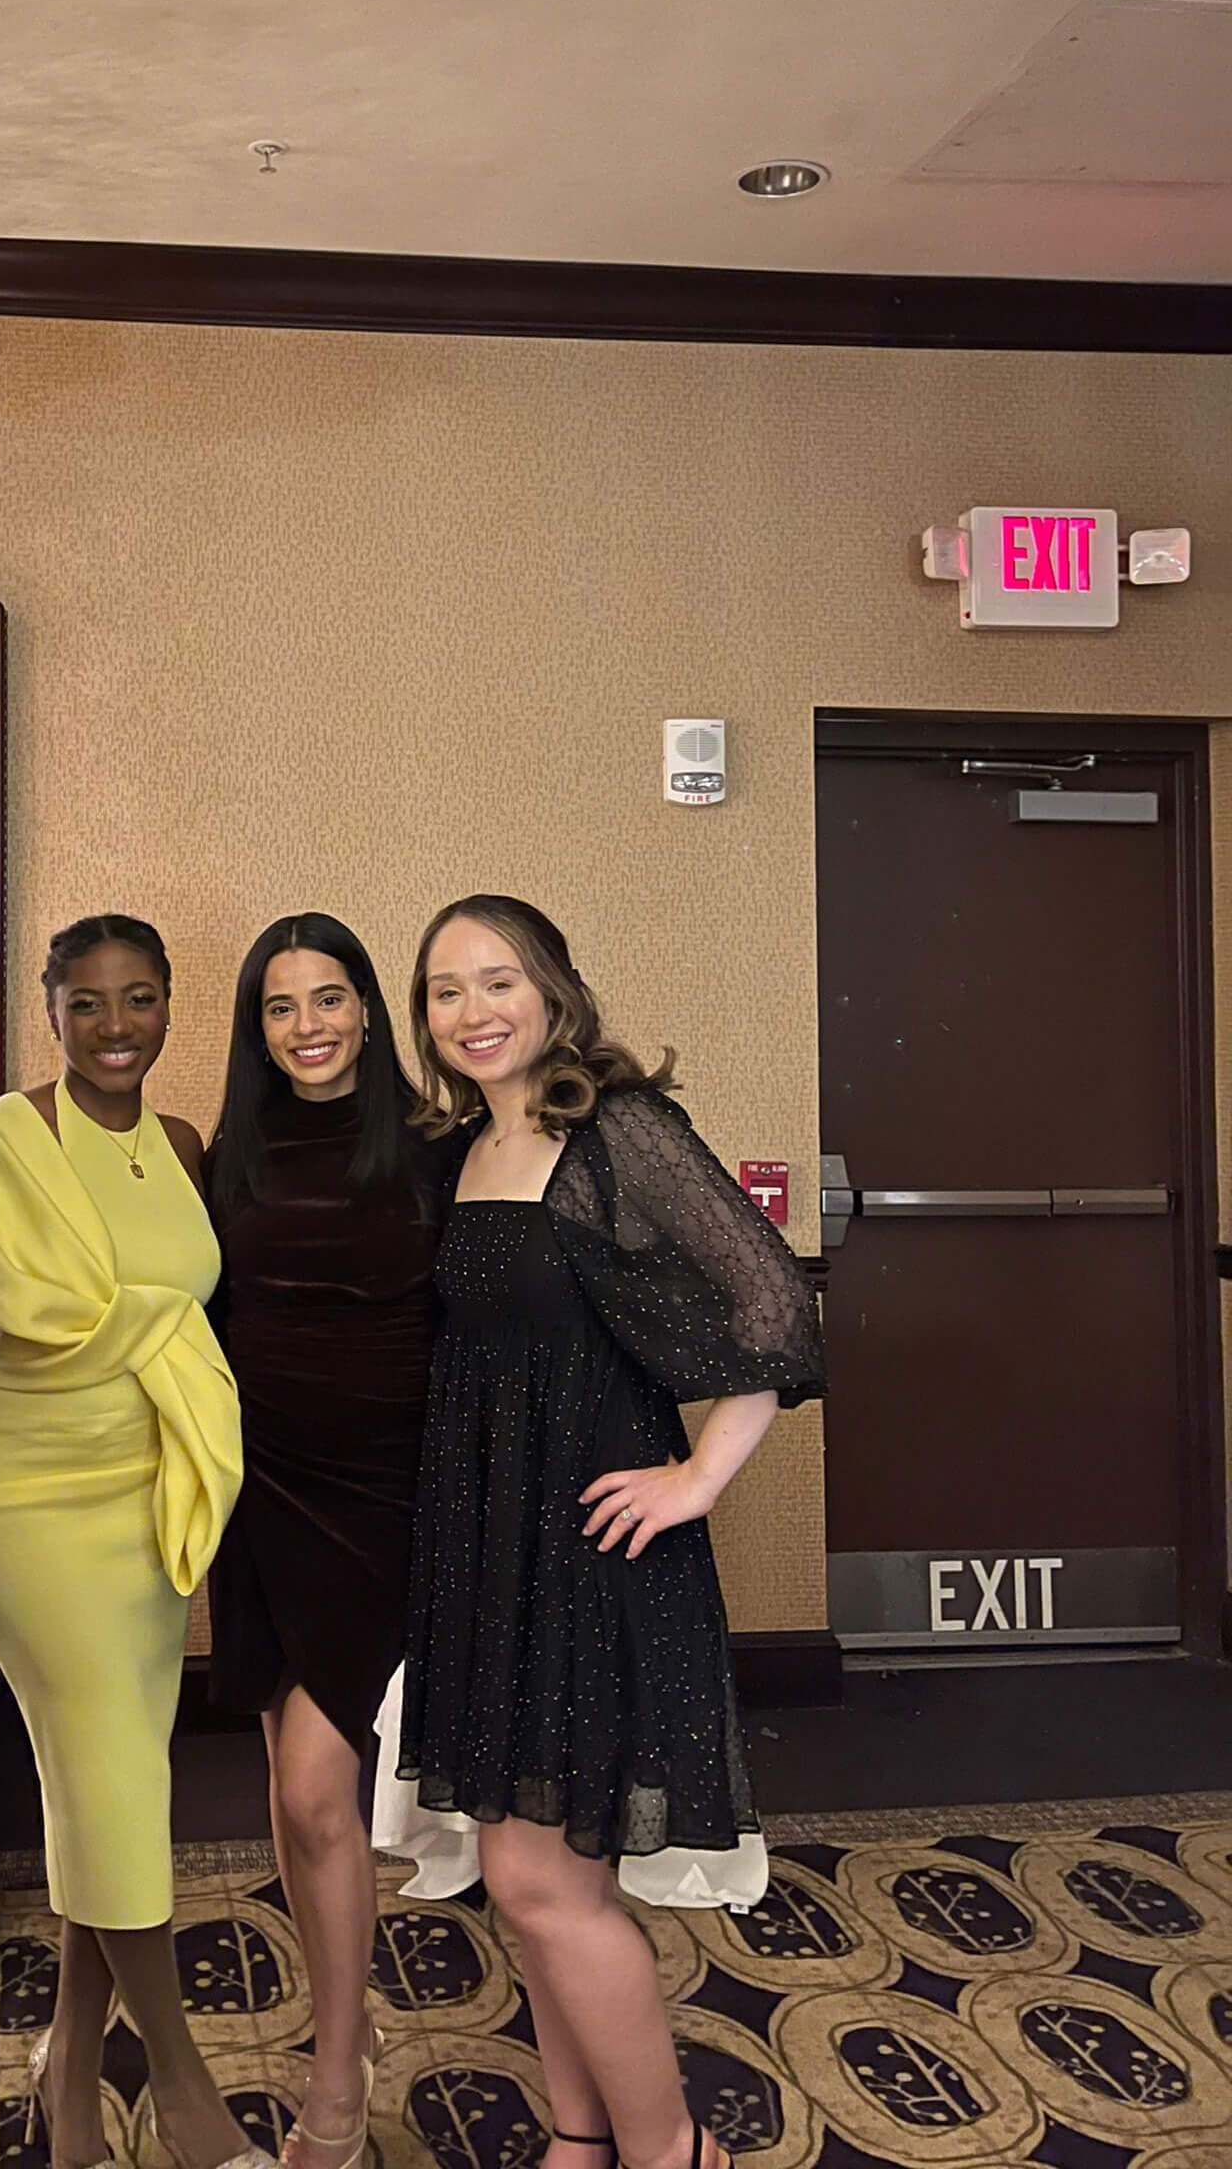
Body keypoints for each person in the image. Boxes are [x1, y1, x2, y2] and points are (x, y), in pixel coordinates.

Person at [399, 895, 824, 2169]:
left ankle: (668, 2149)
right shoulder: (459, 1146)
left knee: (542, 1886)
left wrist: (698, 1475)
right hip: (487, 1552)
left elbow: (777, 1304)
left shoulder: (616, 1129)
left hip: (591, 1556)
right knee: (541, 1885)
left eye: (498, 981)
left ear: (555, 990)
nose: (473, 1012)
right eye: (443, 990)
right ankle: (579, 2140)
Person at [0, 917, 271, 2169]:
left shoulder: (187, 1145)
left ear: (170, 1005)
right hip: (29, 1498)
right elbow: (8, 1311)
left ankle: (68, 2064)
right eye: (88, 1003)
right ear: (50, 1007)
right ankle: (184, 2086)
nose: (117, 1026)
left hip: (151, 1491)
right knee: (117, 1776)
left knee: (108, 1782)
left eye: (140, 1000)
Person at [205, 916, 446, 2169]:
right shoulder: (230, 1155)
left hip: (377, 1499)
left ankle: (338, 2075)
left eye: (331, 998)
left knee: (314, 1786)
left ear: (368, 1010)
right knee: (291, 1805)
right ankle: (341, 2024)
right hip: (257, 1493)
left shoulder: (431, 1144)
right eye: (282, 1005)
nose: (308, 1025)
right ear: (258, 1026)